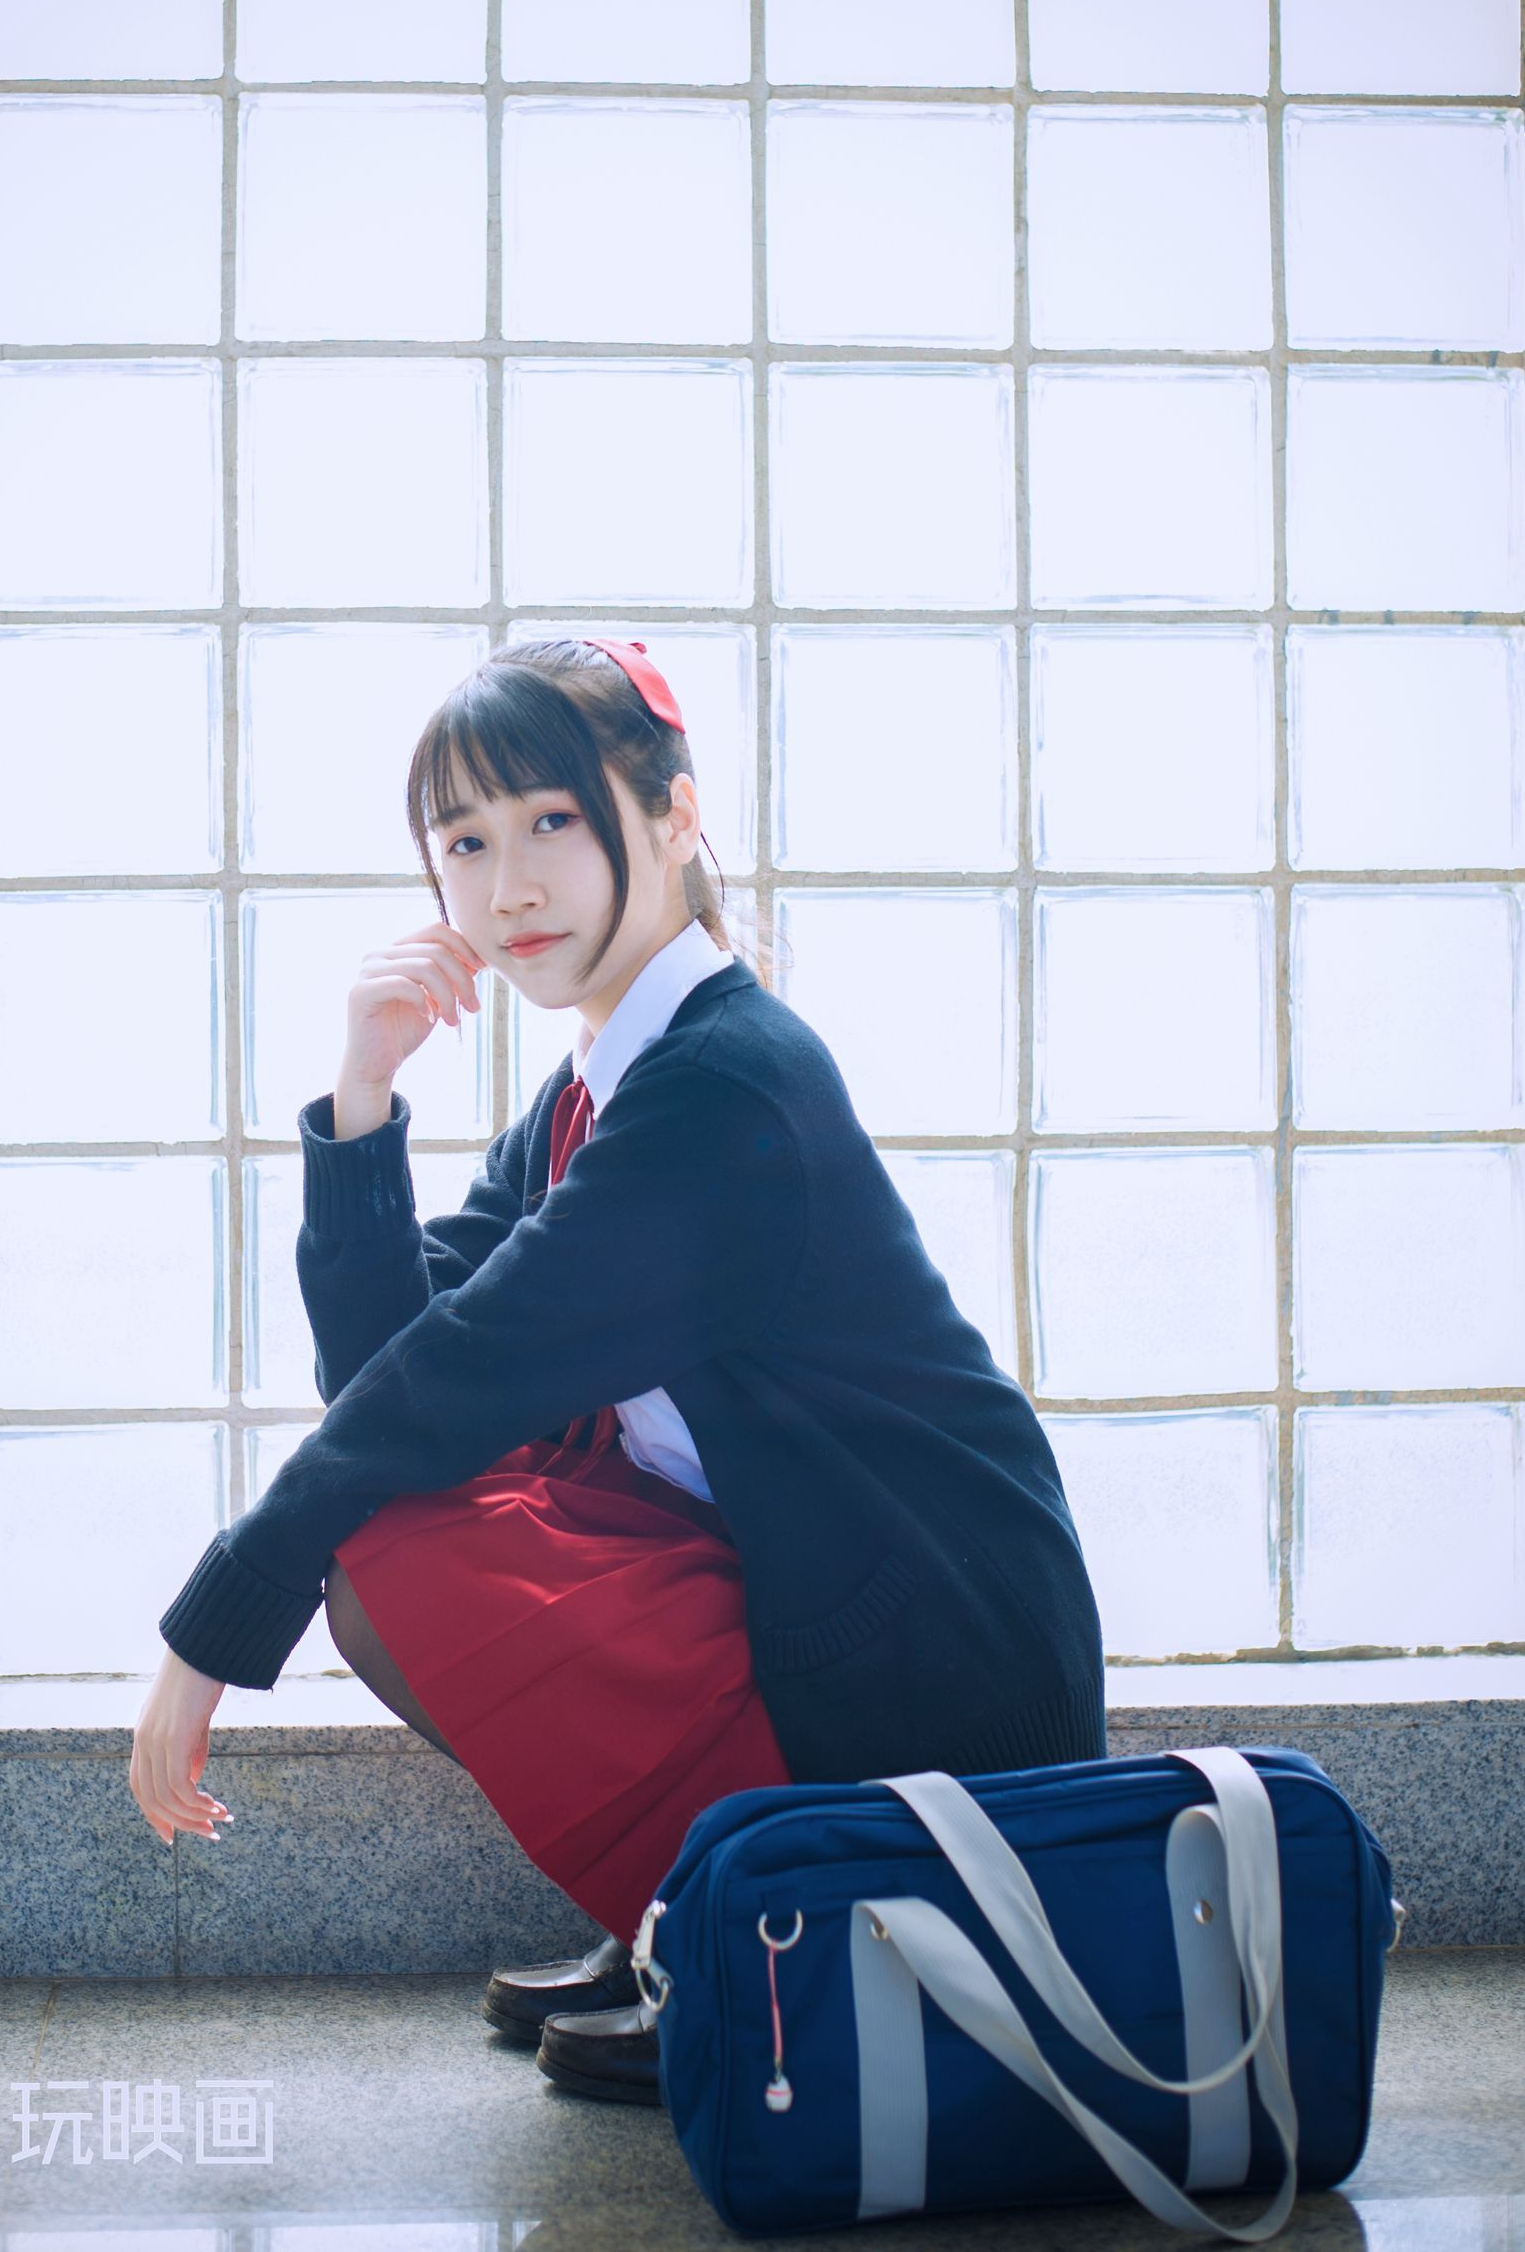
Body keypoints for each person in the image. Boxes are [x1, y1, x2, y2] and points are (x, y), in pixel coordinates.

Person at [131, 632, 1107, 2107]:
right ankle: (688, 1915)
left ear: (672, 817)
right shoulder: (606, 1081)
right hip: (816, 1611)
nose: (508, 887)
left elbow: (453, 1377)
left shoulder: (723, 1083)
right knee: (410, 1506)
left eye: (552, 822)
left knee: (392, 1538)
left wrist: (211, 1629)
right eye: (466, 842)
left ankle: (770, 1943)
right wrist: (362, 1093)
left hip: (927, 1670)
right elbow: (395, 1368)